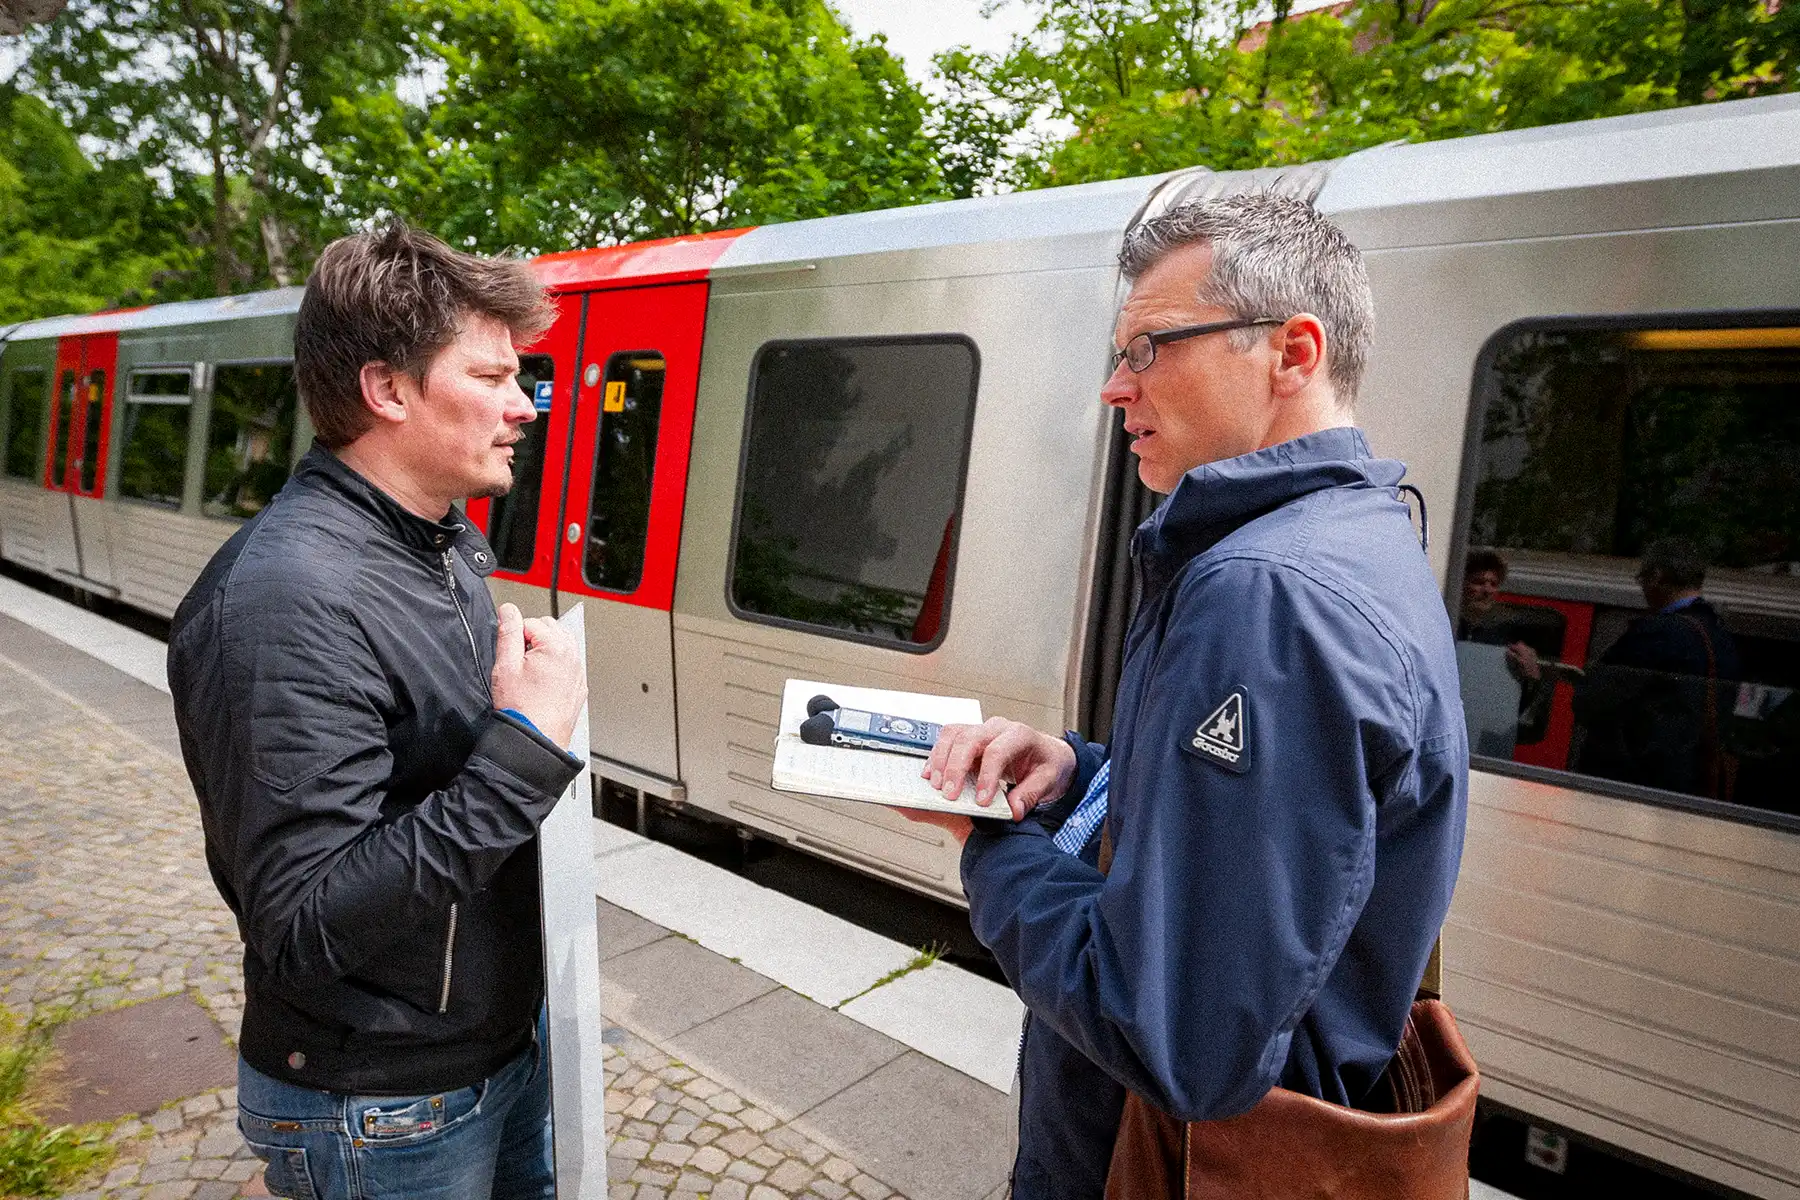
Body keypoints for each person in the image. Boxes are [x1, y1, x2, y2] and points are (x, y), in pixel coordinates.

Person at [907, 193, 1469, 1198]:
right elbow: (1299, 836)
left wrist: (989, 842)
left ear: (1292, 353)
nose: (1114, 389)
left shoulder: (1262, 593)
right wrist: (1083, 774)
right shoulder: (1366, 539)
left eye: (1149, 347)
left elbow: (1176, 1034)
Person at [168, 223, 589, 1200]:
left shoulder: (449, 544)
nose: (522, 406)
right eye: (488, 378)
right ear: (388, 389)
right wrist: (528, 744)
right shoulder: (284, 604)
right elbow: (303, 927)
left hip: (493, 1049)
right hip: (382, 1106)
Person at [1573, 537, 1741, 797]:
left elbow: (1594, 701)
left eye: (1642, 579)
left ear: (1657, 576)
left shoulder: (1657, 634)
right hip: (1692, 787)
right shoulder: (1722, 639)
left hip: (1636, 786)